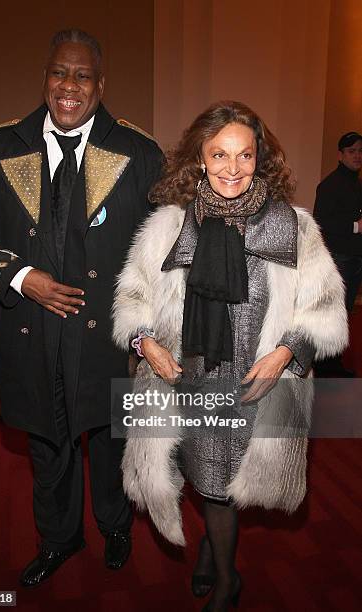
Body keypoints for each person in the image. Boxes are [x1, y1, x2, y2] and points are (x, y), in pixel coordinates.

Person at [112, 101, 347, 611]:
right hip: (187, 384)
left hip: (255, 388)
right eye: (219, 154)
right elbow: (132, 300)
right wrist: (145, 342)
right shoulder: (166, 229)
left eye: (244, 155)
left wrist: (286, 352)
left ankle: (225, 580)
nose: (232, 168)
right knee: (204, 478)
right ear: (199, 158)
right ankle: (214, 556)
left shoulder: (294, 229)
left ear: (260, 158)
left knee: (221, 486)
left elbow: (325, 311)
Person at [0, 29, 162, 587]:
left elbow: (164, 245)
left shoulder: (138, 152)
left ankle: (115, 525)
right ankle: (59, 538)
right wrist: (23, 279)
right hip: (30, 327)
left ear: (100, 84)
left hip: (108, 334)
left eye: (82, 75)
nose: (69, 86)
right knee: (48, 443)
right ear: (45, 77)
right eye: (59, 73)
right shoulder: (0, 146)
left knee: (109, 437)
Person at [313, 131, 362, 376]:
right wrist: (356, 226)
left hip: (354, 257)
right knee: (333, 313)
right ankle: (325, 367)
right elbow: (321, 222)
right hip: (339, 258)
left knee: (344, 313)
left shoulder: (356, 183)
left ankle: (334, 364)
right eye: (352, 151)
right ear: (340, 155)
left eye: (360, 151)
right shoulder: (330, 185)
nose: (358, 156)